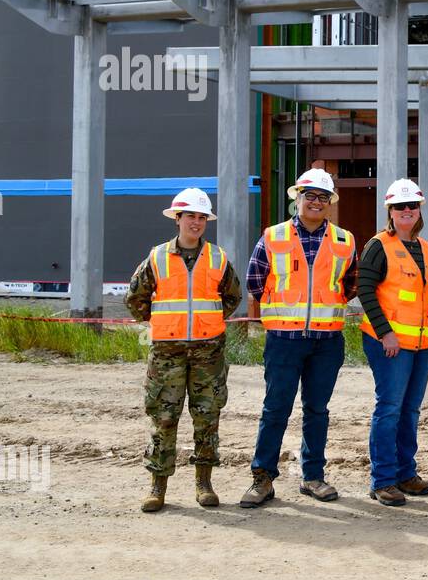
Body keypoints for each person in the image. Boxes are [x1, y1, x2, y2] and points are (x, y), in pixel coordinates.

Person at [240, 169, 357, 508]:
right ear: (298, 198)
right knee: (276, 408)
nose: (316, 202)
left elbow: (349, 284)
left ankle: (313, 477)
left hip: (326, 341)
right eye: (310, 195)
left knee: (317, 410)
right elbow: (255, 281)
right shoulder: (273, 237)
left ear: (330, 203)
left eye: (323, 197)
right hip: (284, 339)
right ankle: (262, 479)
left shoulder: (344, 240)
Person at [126, 188, 241, 512]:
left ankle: (204, 484)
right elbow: (136, 299)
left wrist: (207, 323)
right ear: (177, 219)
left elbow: (232, 298)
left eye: (202, 217)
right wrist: (165, 324)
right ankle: (157, 486)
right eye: (190, 215)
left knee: (207, 418)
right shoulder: (158, 257)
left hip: (208, 352)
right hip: (167, 353)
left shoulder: (217, 258)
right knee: (164, 418)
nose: (196, 222)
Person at [356, 178, 428, 507]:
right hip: (390, 345)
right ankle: (383, 480)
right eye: (400, 207)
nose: (406, 211)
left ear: (419, 210)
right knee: (390, 408)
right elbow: (365, 292)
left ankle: (406, 473)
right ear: (390, 212)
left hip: (423, 346)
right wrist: (386, 333)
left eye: (412, 206)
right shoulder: (378, 246)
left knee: (410, 410)